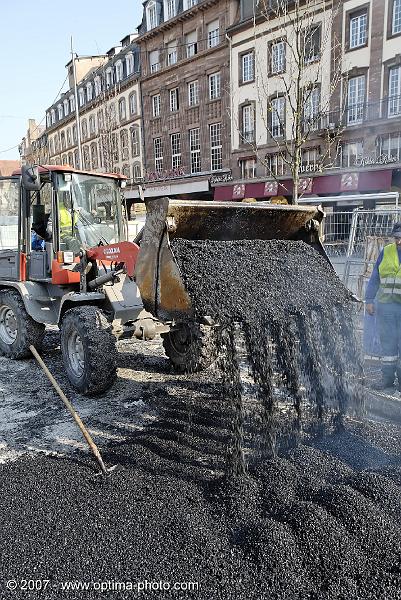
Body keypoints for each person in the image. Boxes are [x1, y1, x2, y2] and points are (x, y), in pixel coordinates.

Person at [365, 223, 401, 390]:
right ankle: (387, 379)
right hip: (386, 307)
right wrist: (369, 300)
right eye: (396, 238)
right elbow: (375, 278)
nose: (399, 241)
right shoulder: (386, 251)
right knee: (388, 344)